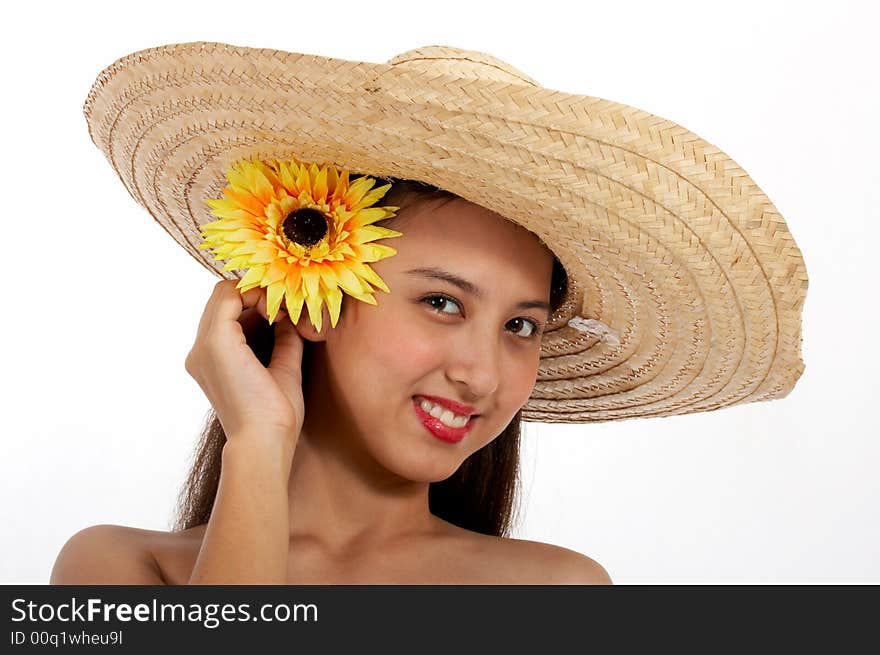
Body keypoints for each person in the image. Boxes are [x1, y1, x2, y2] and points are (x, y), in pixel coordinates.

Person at [51, 41, 807, 584]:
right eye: (442, 302)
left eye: (521, 326)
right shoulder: (115, 570)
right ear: (312, 293)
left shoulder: (555, 593)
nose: (481, 374)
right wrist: (256, 444)